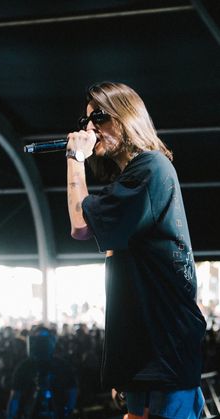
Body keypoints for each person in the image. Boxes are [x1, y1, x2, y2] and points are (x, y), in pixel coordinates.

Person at [66, 81, 207, 419]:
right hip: (145, 354)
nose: (89, 128)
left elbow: (80, 225)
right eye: (86, 120)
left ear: (125, 116)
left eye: (98, 117)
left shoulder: (151, 169)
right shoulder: (133, 177)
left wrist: (75, 158)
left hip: (164, 351)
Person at [7, 326, 78, 419]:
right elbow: (15, 397)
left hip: (56, 412)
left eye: (44, 340)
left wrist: (67, 411)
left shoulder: (61, 365)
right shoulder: (24, 367)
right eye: (38, 340)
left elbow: (72, 390)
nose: (41, 344)